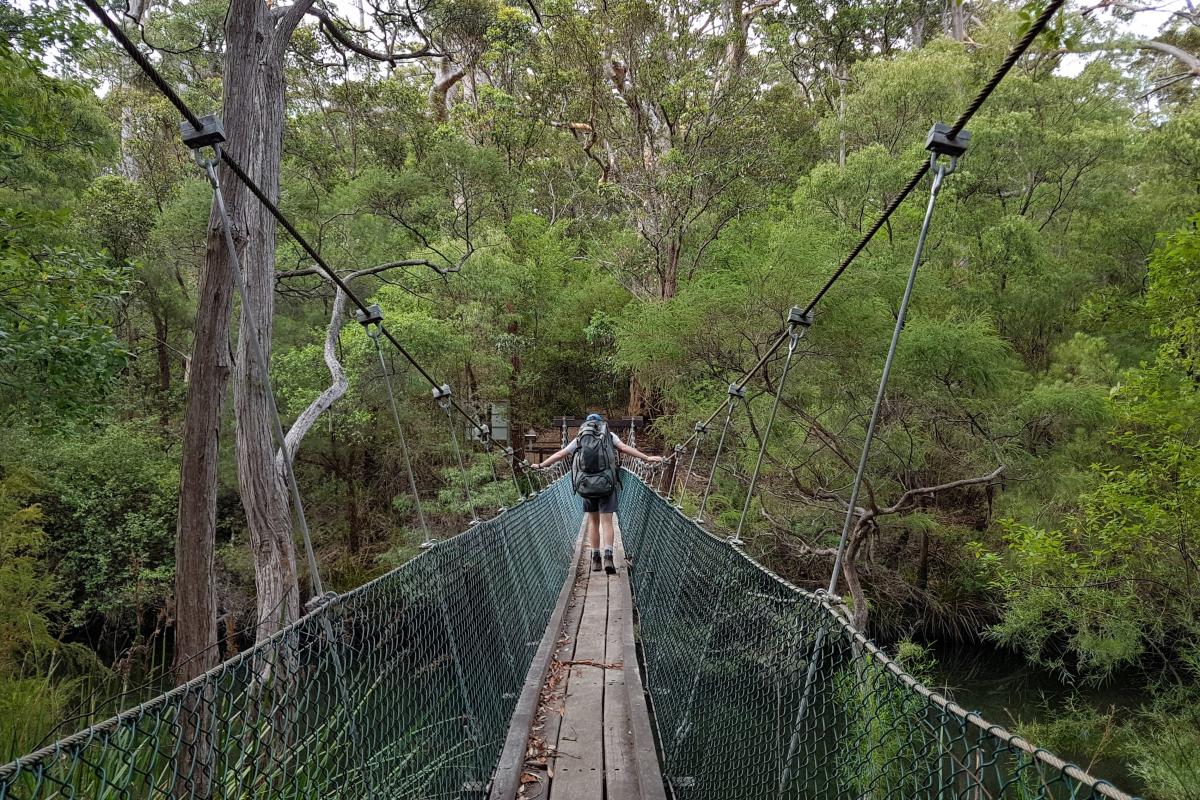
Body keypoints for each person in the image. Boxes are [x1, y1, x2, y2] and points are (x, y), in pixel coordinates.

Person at [532, 413, 662, 574]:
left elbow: (560, 454)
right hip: (606, 484)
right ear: (600, 424)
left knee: (593, 523)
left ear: (586, 424)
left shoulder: (580, 437)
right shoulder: (608, 435)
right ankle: (608, 556)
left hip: (586, 485)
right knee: (607, 522)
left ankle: (595, 559)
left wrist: (541, 465)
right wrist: (647, 458)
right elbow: (624, 448)